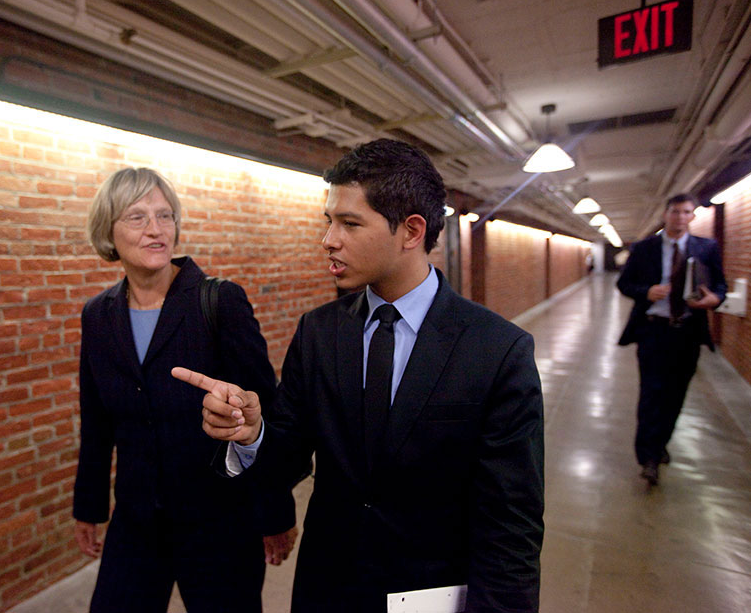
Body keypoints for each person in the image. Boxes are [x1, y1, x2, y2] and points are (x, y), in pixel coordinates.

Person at [173, 139, 545, 612]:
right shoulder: (319, 332)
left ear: (411, 231)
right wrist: (252, 434)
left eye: (349, 223)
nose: (329, 239)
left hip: (432, 593)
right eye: (329, 221)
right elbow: (288, 455)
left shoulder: (497, 350)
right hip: (329, 588)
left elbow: (512, 525)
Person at [72, 167, 298, 613]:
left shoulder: (219, 302)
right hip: (136, 520)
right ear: (108, 232)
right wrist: (90, 504)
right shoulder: (99, 315)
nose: (156, 230)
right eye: (137, 218)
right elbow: (97, 420)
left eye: (165, 215)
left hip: (220, 522)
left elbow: (265, 415)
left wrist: (275, 513)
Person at [617, 193, 727, 485]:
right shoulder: (644, 248)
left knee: (676, 395)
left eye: (686, 212)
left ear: (692, 216)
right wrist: (646, 291)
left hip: (688, 331)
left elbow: (720, 285)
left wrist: (715, 299)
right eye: (675, 211)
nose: (680, 217)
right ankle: (648, 457)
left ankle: (660, 442)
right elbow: (624, 283)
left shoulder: (707, 248)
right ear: (665, 214)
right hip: (654, 330)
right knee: (651, 393)